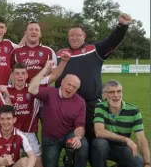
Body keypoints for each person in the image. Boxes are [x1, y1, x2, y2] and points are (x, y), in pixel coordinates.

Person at [55, 13, 132, 144]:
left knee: (93, 137)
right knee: (68, 135)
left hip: (91, 104)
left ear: (84, 36)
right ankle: (70, 161)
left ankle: (96, 161)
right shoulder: (59, 54)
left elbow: (112, 40)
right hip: (66, 104)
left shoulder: (94, 50)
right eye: (71, 35)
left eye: (77, 35)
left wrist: (122, 26)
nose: (74, 38)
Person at [4, 52, 70, 167]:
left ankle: (25, 162)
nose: (20, 76)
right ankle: (21, 163)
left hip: (29, 134)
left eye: (23, 73)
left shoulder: (34, 87)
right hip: (11, 134)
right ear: (12, 75)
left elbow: (53, 76)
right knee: (7, 166)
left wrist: (61, 62)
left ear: (27, 75)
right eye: (17, 73)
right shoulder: (4, 90)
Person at [28, 70, 88, 167]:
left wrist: (78, 137)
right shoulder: (49, 92)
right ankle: (67, 160)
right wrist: (44, 70)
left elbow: (80, 125)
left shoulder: (80, 102)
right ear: (62, 82)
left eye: (74, 87)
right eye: (69, 84)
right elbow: (31, 89)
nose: (70, 88)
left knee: (83, 145)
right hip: (50, 138)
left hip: (68, 135)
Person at [90, 79, 150, 167]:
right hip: (105, 145)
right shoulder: (100, 107)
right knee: (99, 143)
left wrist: (147, 164)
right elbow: (99, 131)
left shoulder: (134, 110)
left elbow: (141, 139)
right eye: (111, 92)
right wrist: (126, 139)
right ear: (105, 95)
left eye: (119, 91)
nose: (116, 95)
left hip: (122, 148)